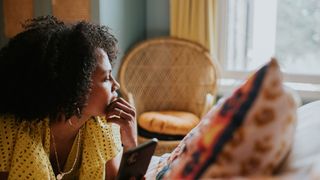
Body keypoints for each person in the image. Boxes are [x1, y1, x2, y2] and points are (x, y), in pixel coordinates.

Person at [0, 16, 137, 179]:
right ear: (76, 84)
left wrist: (131, 144)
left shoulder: (104, 128)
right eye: (107, 78)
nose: (116, 85)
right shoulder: (9, 131)